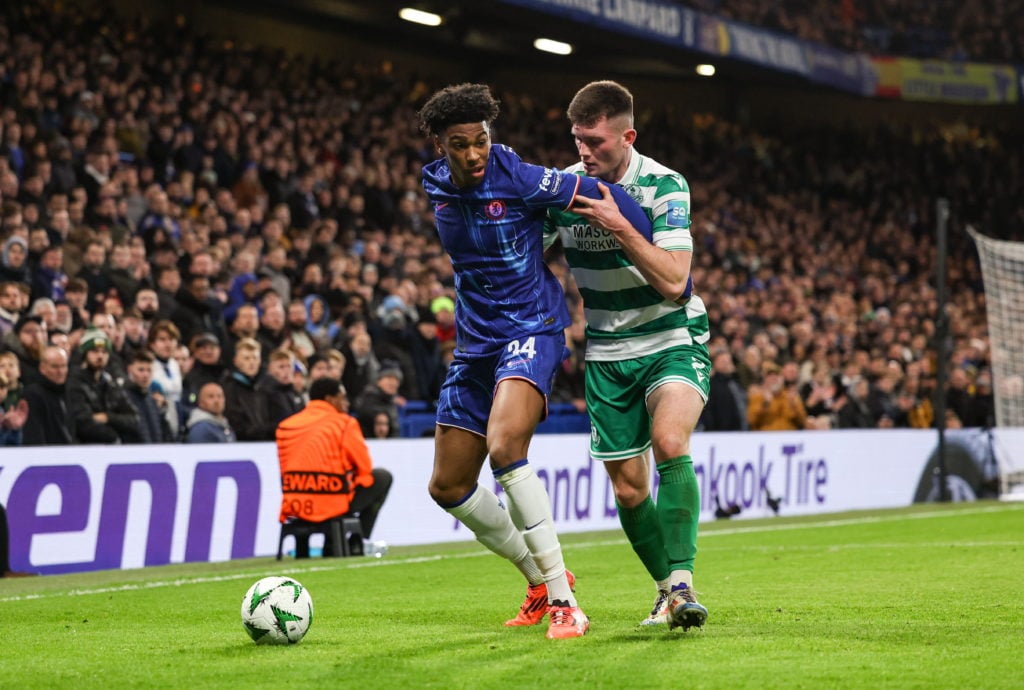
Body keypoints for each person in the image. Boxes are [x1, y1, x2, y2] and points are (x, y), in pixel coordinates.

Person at [416, 83, 646, 639]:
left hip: (532, 328)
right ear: (441, 146)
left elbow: (596, 190)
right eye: (460, 144)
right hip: (475, 342)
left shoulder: (518, 176)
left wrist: (654, 243)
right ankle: (542, 579)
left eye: (481, 140)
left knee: (505, 446)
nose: (473, 154)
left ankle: (567, 604)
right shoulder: (434, 183)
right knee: (447, 486)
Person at [544, 80, 710, 630]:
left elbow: (675, 279)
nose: (585, 151)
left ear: (627, 136)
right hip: (608, 349)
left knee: (668, 441)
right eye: (577, 139)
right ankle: (667, 592)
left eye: (595, 141)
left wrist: (621, 228)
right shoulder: (565, 189)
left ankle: (683, 581)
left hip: (669, 335)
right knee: (628, 486)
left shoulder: (665, 185)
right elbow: (524, 248)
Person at [276, 377, 392, 556]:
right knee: (382, 477)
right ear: (330, 399)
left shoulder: (285, 426)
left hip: (295, 505)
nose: (346, 402)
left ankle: (305, 545)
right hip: (331, 503)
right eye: (342, 397)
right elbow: (364, 467)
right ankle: (355, 540)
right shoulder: (344, 423)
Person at [67, 328, 141, 444]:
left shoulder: (111, 383)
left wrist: (108, 417)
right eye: (95, 351)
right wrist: (113, 436)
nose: (100, 356)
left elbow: (134, 419)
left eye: (104, 352)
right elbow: (83, 422)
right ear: (85, 353)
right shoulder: (74, 382)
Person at [21, 345, 73, 445]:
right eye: (55, 366)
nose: (60, 371)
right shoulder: (33, 395)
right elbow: (34, 436)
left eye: (63, 366)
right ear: (42, 368)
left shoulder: (68, 392)